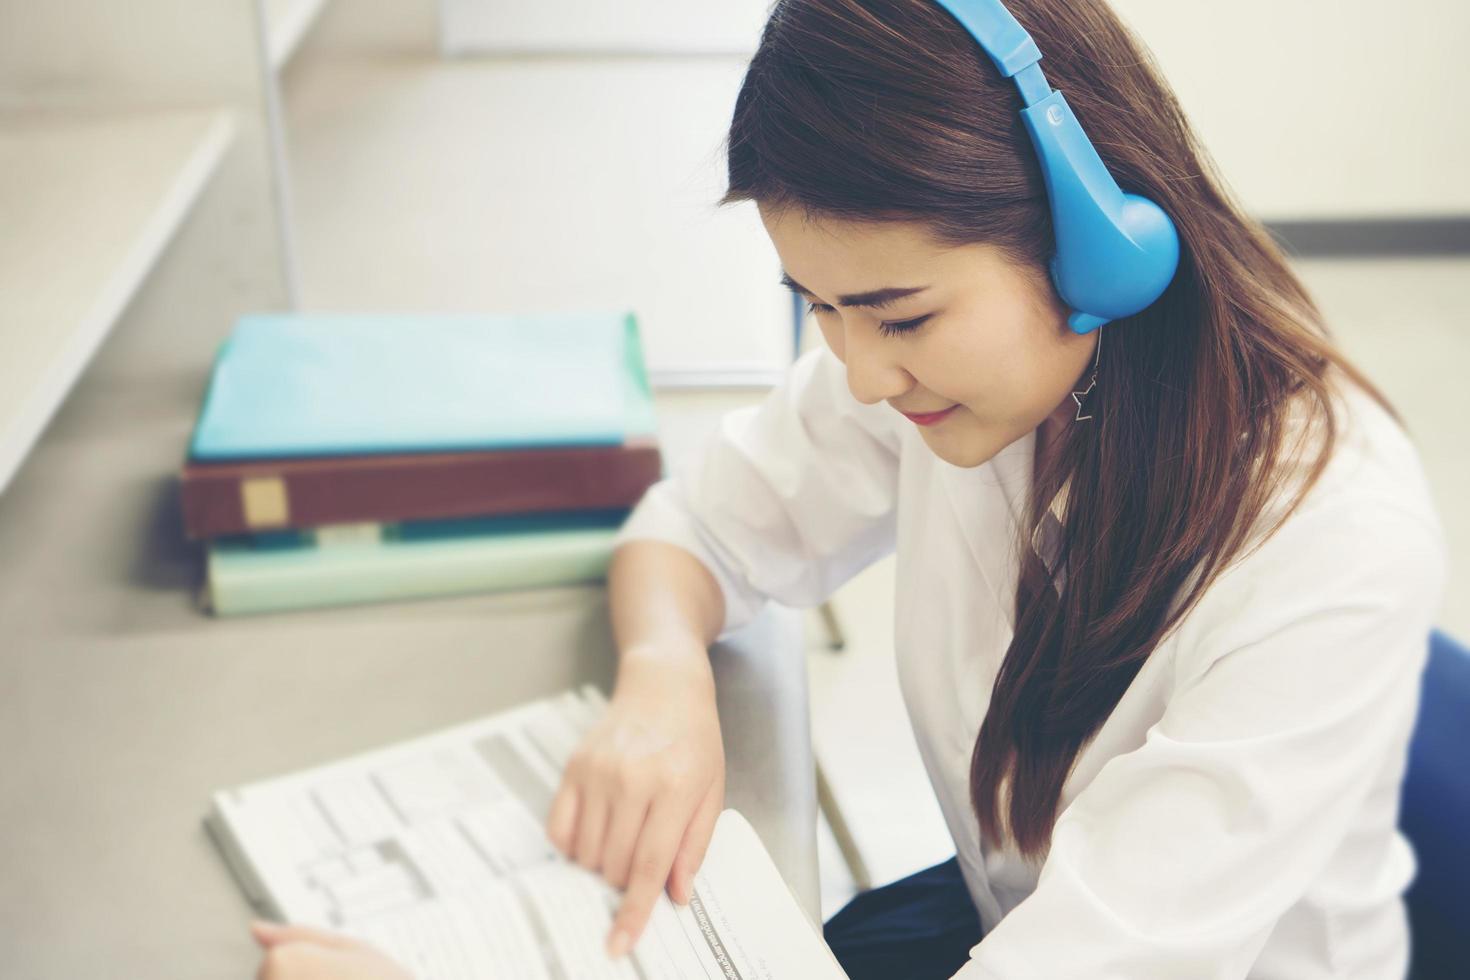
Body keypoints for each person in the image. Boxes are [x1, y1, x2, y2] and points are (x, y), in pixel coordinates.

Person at [250, 1, 1446, 977]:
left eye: (898, 314)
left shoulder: (1328, 540)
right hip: (1015, 917)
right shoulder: (958, 381)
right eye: (817, 304)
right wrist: (663, 677)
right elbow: (695, 528)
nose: (859, 373)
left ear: (1101, 242)